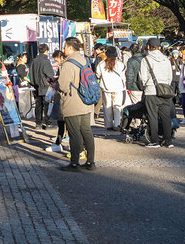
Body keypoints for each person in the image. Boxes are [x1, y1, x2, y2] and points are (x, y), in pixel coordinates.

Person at [57, 37, 95, 171]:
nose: (63, 49)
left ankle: (74, 163)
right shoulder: (85, 60)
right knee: (86, 131)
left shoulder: (68, 64)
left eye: (65, 46)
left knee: (74, 133)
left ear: (70, 48)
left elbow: (63, 86)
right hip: (86, 100)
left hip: (73, 101)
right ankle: (91, 162)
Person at [137, 39, 174, 148]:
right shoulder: (166, 59)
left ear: (148, 46)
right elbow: (170, 77)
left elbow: (142, 77)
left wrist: (145, 85)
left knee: (152, 116)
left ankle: (155, 141)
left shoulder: (146, 60)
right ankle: (168, 141)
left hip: (151, 91)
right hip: (165, 90)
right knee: (166, 117)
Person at [98, 46, 126, 130]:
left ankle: (108, 125)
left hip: (106, 88)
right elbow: (123, 76)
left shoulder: (101, 64)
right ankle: (117, 124)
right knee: (117, 107)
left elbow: (98, 75)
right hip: (118, 88)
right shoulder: (120, 65)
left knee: (107, 107)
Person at [31, 44, 55, 129]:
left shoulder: (34, 61)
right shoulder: (46, 61)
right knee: (47, 105)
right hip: (45, 86)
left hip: (36, 86)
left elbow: (31, 74)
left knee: (38, 105)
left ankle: (38, 124)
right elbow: (50, 74)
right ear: (46, 51)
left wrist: (33, 83)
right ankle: (48, 123)